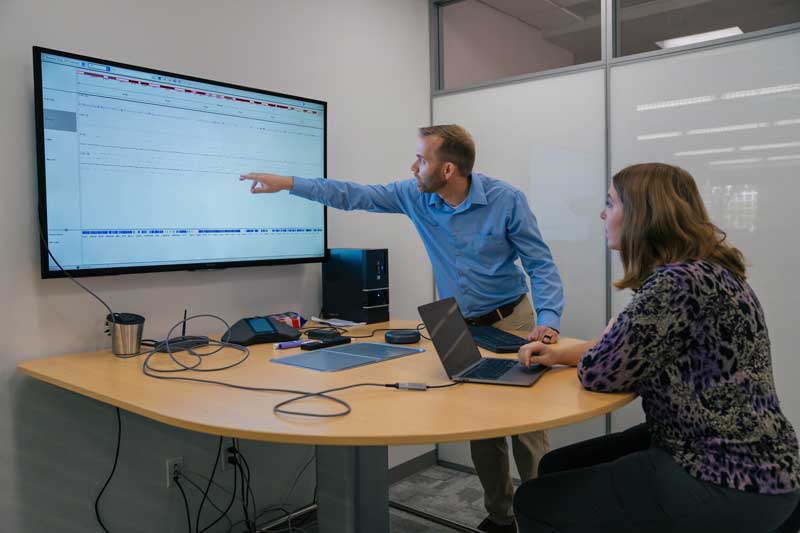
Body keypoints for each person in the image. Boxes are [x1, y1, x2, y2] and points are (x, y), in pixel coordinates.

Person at [240, 124, 564, 533]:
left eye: (422, 159)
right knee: (485, 426)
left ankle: (543, 521)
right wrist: (288, 183)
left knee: (527, 429)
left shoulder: (506, 200)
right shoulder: (416, 196)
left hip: (512, 320)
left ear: (448, 169)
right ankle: (501, 517)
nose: (413, 166)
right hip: (458, 323)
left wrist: (548, 321)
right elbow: (354, 194)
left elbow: (540, 264)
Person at [512, 162, 800, 533]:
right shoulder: (708, 270)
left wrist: (613, 330)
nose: (602, 213)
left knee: (535, 501)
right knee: (557, 465)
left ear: (642, 216)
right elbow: (624, 348)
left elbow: (602, 373)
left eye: (611, 203)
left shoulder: (675, 283)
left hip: (728, 473)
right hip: (757, 456)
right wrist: (559, 353)